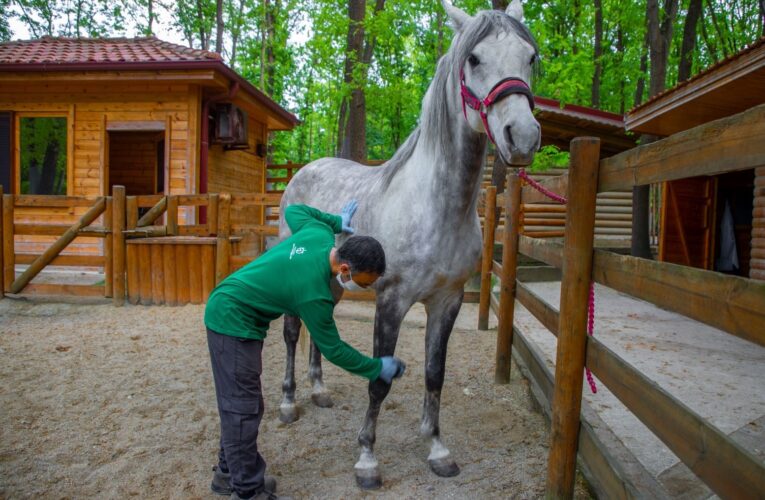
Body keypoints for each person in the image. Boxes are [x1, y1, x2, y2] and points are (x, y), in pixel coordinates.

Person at [204, 201, 406, 500]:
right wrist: (376, 367)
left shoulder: (320, 235)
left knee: (244, 405)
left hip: (237, 311)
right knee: (242, 409)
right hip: (232, 319)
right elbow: (334, 349)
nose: (365, 288)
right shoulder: (314, 294)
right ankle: (247, 492)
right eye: (365, 283)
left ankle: (227, 475)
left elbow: (295, 211)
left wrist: (335, 220)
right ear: (346, 268)